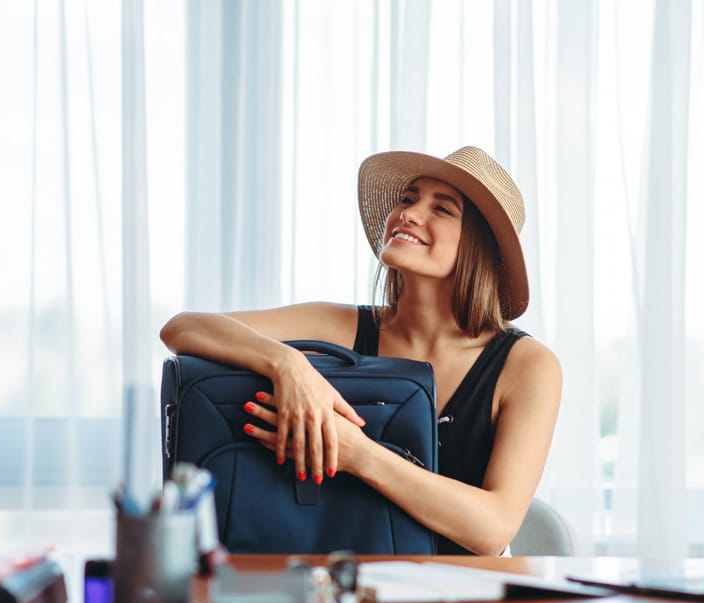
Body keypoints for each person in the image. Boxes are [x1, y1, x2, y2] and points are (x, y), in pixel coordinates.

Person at [160, 146, 562, 555]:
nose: (408, 213)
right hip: (348, 586)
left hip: (467, 598)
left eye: (442, 209)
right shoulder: (342, 327)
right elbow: (183, 328)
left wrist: (357, 453)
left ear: (480, 248)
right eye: (408, 198)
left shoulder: (527, 365)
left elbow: (493, 529)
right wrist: (288, 364)